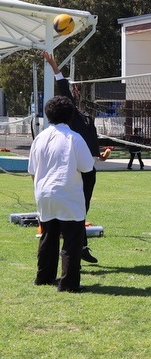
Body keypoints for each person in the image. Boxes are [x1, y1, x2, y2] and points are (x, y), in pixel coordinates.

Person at [42, 51, 106, 264]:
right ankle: (72, 249)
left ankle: (81, 247)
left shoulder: (87, 118)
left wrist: (101, 156)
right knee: (74, 211)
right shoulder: (71, 116)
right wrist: (53, 65)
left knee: (83, 209)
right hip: (76, 171)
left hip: (90, 169)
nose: (75, 92)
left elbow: (91, 145)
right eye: (73, 90)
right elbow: (63, 87)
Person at [29, 95, 95, 292]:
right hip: (67, 194)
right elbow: (87, 168)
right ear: (71, 115)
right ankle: (68, 284)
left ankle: (44, 277)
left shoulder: (39, 138)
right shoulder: (74, 138)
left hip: (44, 194)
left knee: (48, 237)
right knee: (72, 239)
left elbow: (32, 171)